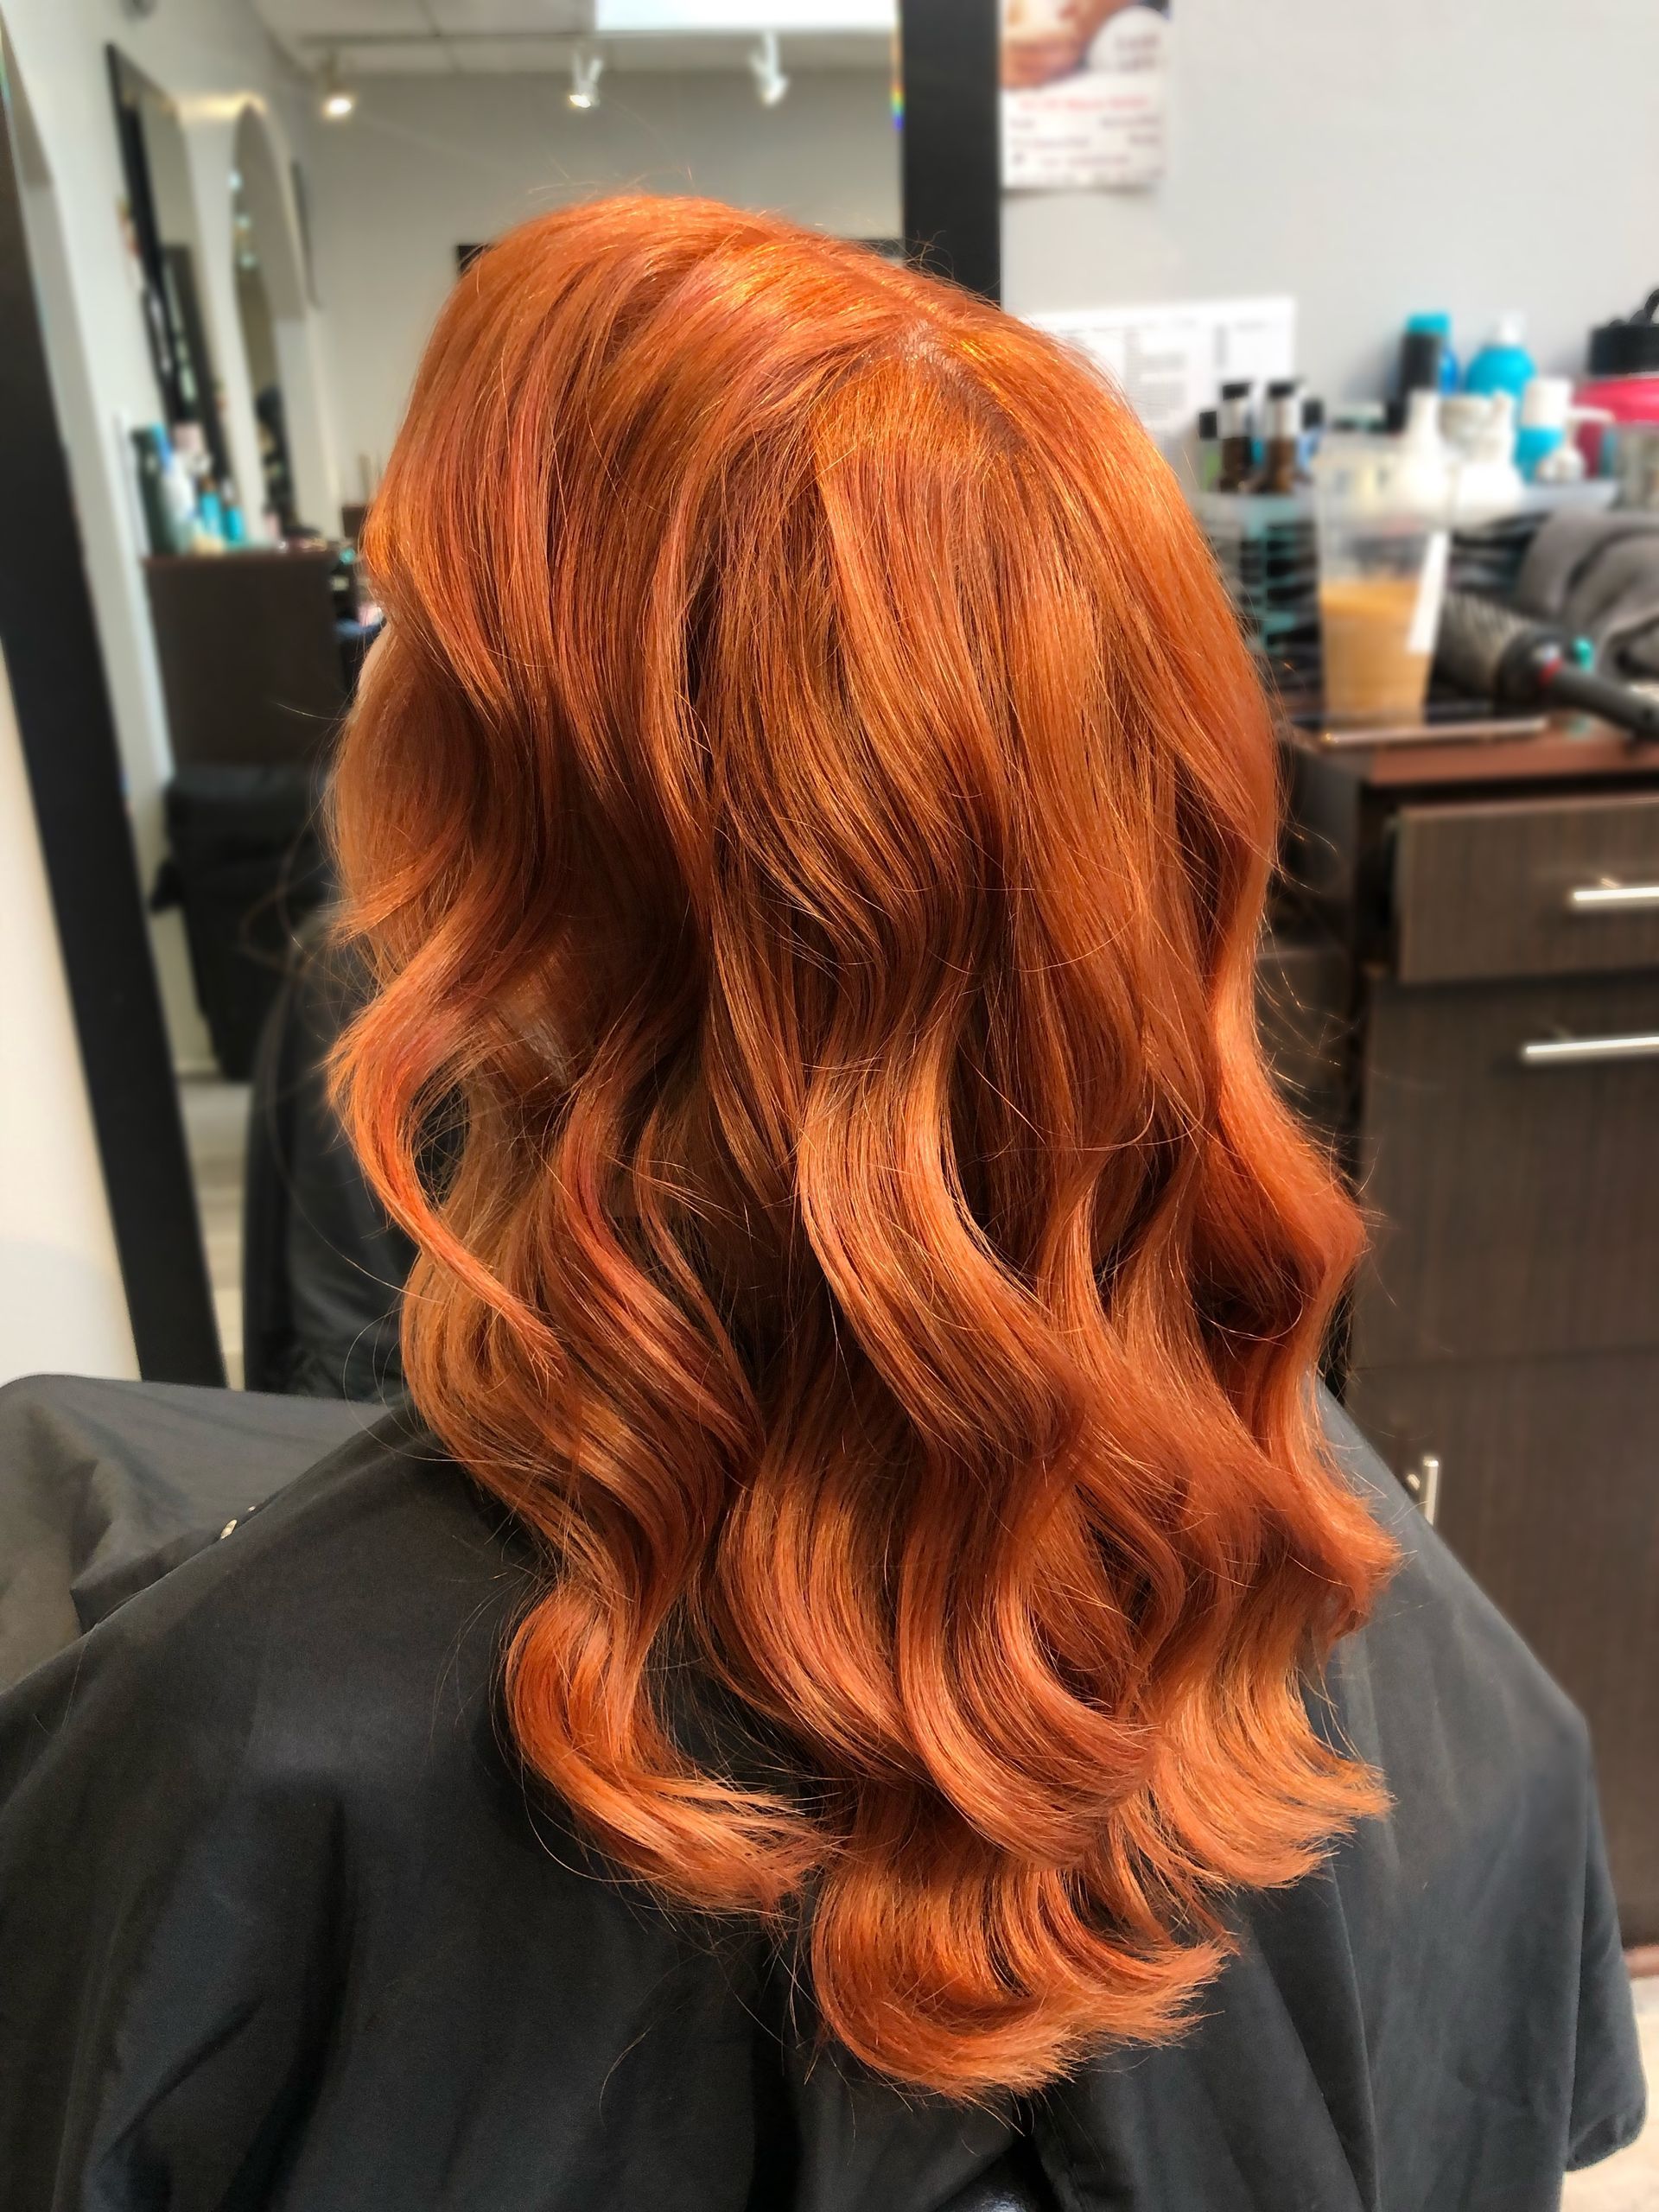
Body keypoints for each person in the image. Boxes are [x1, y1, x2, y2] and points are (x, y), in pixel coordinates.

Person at [0, 197, 1642, 2211]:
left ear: (519, 857)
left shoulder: (243, 1748)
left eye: (408, 633)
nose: (364, 700)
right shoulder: (1438, 1666)